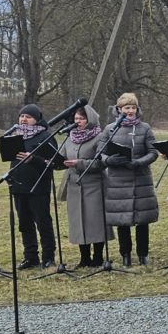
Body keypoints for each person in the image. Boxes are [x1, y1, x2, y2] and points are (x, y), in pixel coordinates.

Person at [101, 93, 159, 267]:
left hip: (141, 178)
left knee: (142, 220)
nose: (130, 111)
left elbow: (153, 152)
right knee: (122, 220)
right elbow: (101, 152)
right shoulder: (110, 129)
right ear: (119, 110)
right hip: (118, 180)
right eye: (127, 107)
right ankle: (125, 254)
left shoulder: (145, 128)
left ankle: (143, 254)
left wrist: (138, 162)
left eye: (133, 107)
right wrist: (109, 160)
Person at [4, 104, 60, 269]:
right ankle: (30, 256)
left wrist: (33, 159)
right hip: (19, 186)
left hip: (38, 187)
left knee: (42, 222)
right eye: (21, 116)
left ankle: (48, 256)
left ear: (36, 119)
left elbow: (54, 163)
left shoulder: (45, 137)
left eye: (28, 117)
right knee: (24, 223)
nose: (23, 119)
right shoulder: (15, 136)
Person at [60, 105, 111, 267]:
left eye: (82, 118)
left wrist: (80, 163)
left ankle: (97, 257)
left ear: (90, 120)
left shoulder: (100, 137)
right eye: (76, 119)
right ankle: (84, 258)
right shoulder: (69, 137)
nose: (78, 122)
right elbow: (61, 157)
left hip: (94, 184)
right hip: (74, 185)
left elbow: (102, 162)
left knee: (95, 222)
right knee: (78, 222)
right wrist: (53, 161)